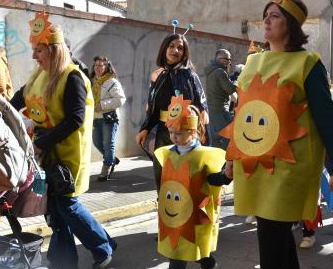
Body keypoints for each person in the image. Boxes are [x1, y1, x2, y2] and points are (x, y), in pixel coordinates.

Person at [220, 0, 333, 269]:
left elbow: (326, 117)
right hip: (256, 158)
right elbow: (244, 113)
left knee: (271, 227)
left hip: (292, 162)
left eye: (275, 16)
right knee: (271, 223)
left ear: (291, 25)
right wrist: (232, 156)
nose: (266, 21)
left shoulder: (308, 64)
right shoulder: (252, 63)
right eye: (265, 15)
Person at [11, 13, 116, 269]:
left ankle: (103, 247)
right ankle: (64, 260)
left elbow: (76, 119)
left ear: (54, 50)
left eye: (39, 50)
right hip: (45, 153)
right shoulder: (39, 74)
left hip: (67, 156)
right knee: (55, 211)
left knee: (67, 206)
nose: (34, 56)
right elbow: (18, 99)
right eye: (34, 49)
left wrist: (42, 142)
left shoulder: (73, 78)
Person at [149, 99, 230, 269]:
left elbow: (213, 179)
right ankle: (202, 268)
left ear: (193, 131)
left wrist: (227, 175)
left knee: (189, 245)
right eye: (172, 133)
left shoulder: (202, 156)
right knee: (183, 246)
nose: (174, 137)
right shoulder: (168, 153)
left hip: (196, 213)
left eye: (179, 133)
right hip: (175, 211)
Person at [135, 33, 208, 187]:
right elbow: (154, 107)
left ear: (185, 52)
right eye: (172, 46)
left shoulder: (189, 75)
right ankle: (164, 209)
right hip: (163, 133)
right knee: (162, 177)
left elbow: (201, 108)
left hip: (185, 136)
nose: (175, 50)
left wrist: (197, 134)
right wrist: (146, 128)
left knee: (183, 180)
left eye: (180, 48)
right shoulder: (161, 75)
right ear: (165, 48)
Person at [91, 56, 126, 181]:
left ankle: (105, 169)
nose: (98, 68)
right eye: (96, 65)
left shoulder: (112, 82)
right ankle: (112, 159)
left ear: (107, 67)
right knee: (96, 142)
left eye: (101, 65)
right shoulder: (92, 81)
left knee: (108, 143)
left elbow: (121, 99)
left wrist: (102, 105)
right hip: (95, 118)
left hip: (109, 118)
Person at [204, 49, 236, 149]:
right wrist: (236, 82)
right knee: (229, 139)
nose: (229, 62)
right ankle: (227, 163)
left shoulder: (211, 71)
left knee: (215, 142)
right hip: (221, 111)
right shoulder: (220, 72)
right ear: (219, 59)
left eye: (229, 60)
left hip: (212, 111)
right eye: (227, 60)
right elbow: (231, 89)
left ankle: (217, 164)